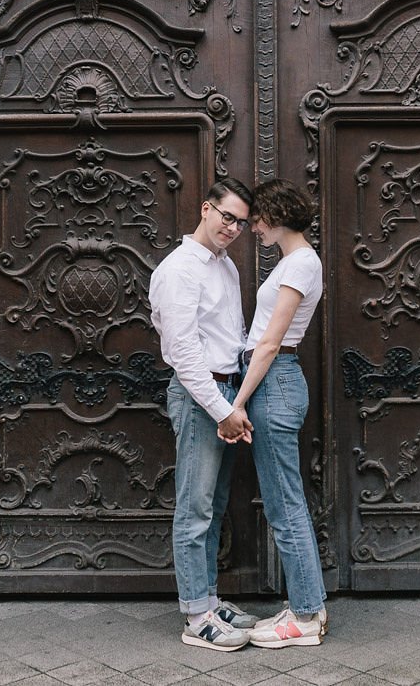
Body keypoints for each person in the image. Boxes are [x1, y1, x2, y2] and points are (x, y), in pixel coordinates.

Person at [148, 178, 258, 652]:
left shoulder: (227, 267)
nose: (233, 228)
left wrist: (237, 400)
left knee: (212, 505)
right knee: (194, 507)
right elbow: (181, 350)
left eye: (242, 222)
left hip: (227, 390)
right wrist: (220, 408)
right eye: (227, 216)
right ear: (206, 208)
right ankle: (196, 616)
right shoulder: (179, 269)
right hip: (201, 395)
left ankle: (210, 598)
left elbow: (229, 335)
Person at [223, 177, 328, 649]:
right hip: (274, 380)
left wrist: (238, 402)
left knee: (285, 505)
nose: (253, 229)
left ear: (277, 215)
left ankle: (305, 617)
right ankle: (308, 606)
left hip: (273, 380)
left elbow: (269, 342)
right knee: (285, 501)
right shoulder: (295, 262)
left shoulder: (301, 264)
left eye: (258, 219)